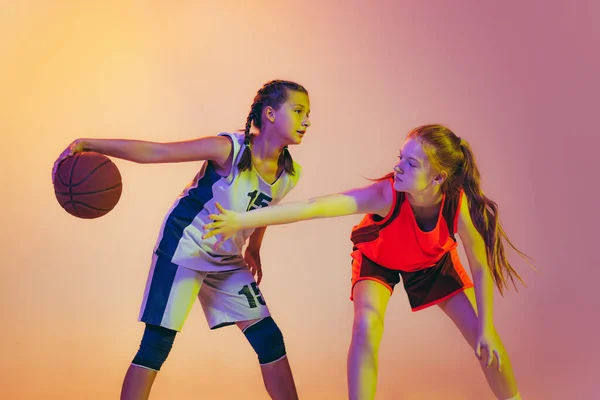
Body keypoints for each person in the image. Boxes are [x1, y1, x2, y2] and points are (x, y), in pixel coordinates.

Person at [203, 124, 531, 400]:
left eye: (413, 164)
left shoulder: (457, 206)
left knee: (485, 341)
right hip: (378, 258)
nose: (399, 166)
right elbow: (315, 207)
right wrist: (241, 218)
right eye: (401, 157)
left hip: (433, 262)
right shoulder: (386, 194)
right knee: (365, 328)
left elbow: (479, 266)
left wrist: (486, 327)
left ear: (437, 179)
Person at [52, 79, 312, 400]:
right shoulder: (228, 148)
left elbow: (263, 208)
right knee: (156, 344)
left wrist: (254, 247)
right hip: (184, 248)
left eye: (307, 113)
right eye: (298, 111)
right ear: (270, 114)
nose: (307, 120)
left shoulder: (290, 173)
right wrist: (89, 143)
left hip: (225, 259)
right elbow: (157, 152)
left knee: (269, 340)